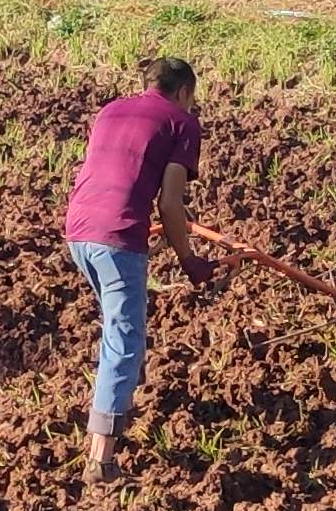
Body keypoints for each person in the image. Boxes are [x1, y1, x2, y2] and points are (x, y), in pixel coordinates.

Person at [58, 56, 218, 481]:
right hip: (118, 237)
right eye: (191, 98)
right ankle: (102, 460)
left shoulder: (111, 110)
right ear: (184, 92)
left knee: (120, 328)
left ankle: (124, 396)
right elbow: (169, 203)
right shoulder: (182, 122)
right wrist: (190, 261)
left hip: (79, 230)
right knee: (123, 342)